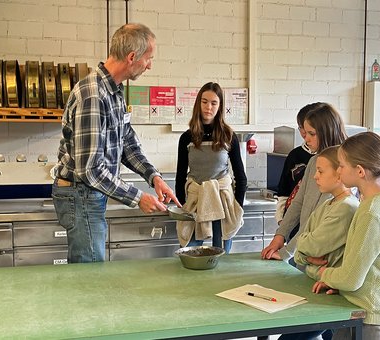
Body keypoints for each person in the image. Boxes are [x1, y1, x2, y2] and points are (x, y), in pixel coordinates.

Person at [52, 23, 180, 263]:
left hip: (89, 193)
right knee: (89, 274)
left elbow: (127, 143)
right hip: (80, 194)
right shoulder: (93, 95)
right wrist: (137, 198)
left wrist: (154, 177)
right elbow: (90, 170)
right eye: (148, 59)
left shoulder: (115, 92)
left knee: (92, 268)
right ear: (132, 57)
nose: (149, 65)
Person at [313, 131, 380, 340]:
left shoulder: (372, 212)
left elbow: (351, 278)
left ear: (359, 171)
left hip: (369, 314)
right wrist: (337, 282)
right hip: (362, 306)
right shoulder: (375, 203)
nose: (338, 171)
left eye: (341, 165)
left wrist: (324, 273)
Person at [277, 146, 359, 340]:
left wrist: (306, 256)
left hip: (331, 294)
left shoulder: (346, 209)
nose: (315, 177)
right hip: (318, 287)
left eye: (320, 171)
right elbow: (302, 247)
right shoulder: (327, 204)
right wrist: (304, 255)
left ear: (339, 175)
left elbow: (309, 244)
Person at [261, 103, 348, 261]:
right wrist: (280, 235)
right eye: (305, 133)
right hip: (304, 251)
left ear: (327, 132)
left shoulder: (342, 168)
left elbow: (315, 222)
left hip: (323, 255)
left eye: (312, 134)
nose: (306, 139)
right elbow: (298, 202)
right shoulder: (314, 160)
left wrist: (287, 252)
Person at [175, 82, 247, 254]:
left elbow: (241, 177)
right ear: (198, 103)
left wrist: (237, 207)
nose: (208, 107)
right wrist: (183, 205)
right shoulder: (187, 138)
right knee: (190, 255)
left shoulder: (229, 136)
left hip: (222, 204)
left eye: (214, 103)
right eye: (204, 101)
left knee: (220, 259)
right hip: (195, 203)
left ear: (220, 106)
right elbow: (180, 177)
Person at [275, 103, 321, 225]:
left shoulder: (332, 158)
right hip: (294, 220)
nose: (305, 134)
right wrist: (281, 220)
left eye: (311, 132)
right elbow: (284, 190)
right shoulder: (294, 155)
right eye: (301, 128)